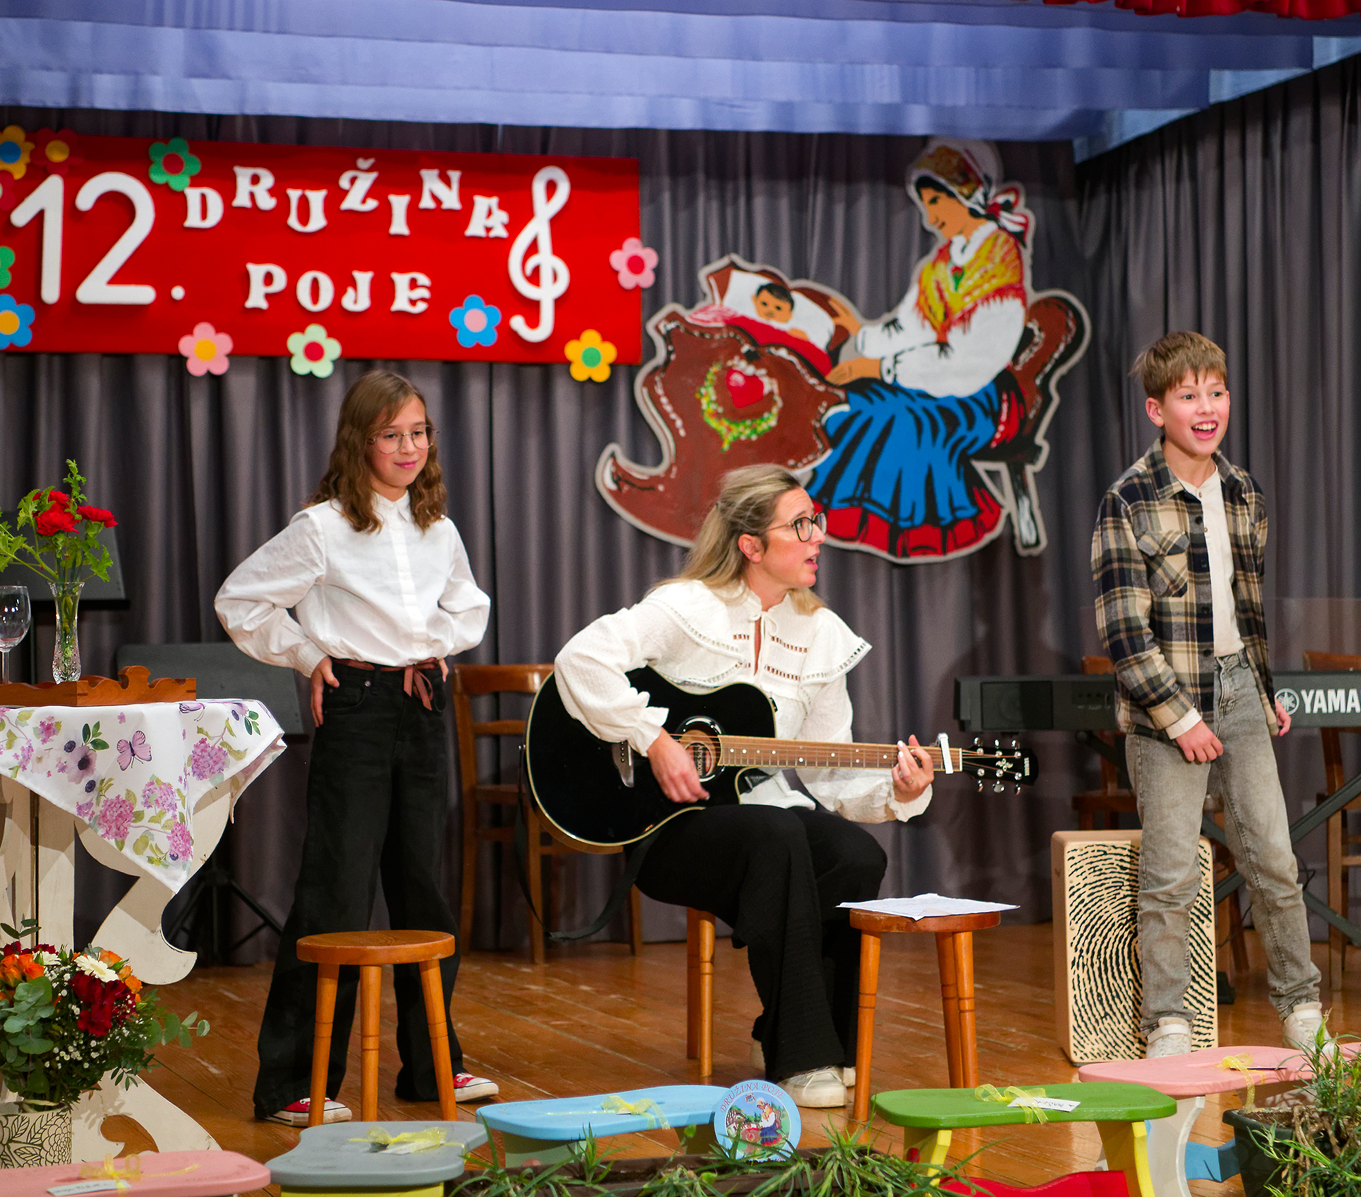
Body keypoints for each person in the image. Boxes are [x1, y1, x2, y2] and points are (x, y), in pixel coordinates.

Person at [553, 463, 936, 1107]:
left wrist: (898, 791)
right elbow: (580, 659)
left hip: (762, 820)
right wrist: (655, 741)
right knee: (777, 832)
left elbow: (829, 768)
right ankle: (801, 1057)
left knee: (855, 854)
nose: (818, 537)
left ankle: (817, 1037)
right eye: (801, 525)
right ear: (751, 545)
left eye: (817, 521)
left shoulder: (821, 634)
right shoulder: (687, 607)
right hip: (668, 826)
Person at [215, 369, 497, 1124]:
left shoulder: (438, 527)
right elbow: (239, 601)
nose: (409, 447)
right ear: (359, 441)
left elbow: (468, 607)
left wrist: (430, 645)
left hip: (422, 704)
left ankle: (432, 1065)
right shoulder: (323, 526)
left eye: (419, 432)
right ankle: (294, 1080)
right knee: (334, 892)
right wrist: (308, 655)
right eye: (391, 435)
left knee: (423, 889)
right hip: (358, 706)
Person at [1090, 332, 1328, 1059]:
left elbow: (1245, 609)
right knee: (1171, 875)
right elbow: (1124, 633)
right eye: (1188, 395)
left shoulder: (1244, 491)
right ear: (1156, 409)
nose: (1206, 407)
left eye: (1216, 392)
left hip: (1239, 689)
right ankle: (1166, 1022)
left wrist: (1262, 687)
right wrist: (1181, 718)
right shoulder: (1127, 499)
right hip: (1166, 708)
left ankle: (1301, 1008)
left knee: (1275, 861)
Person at [809, 138, 1029, 559]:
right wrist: (862, 336)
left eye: (935, 202)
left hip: (982, 393)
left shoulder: (999, 260)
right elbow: (909, 327)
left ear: (965, 192)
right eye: (925, 205)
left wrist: (880, 369)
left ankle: (917, 530)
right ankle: (847, 519)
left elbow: (970, 361)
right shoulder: (941, 264)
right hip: (933, 377)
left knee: (901, 417)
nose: (930, 217)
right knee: (862, 403)